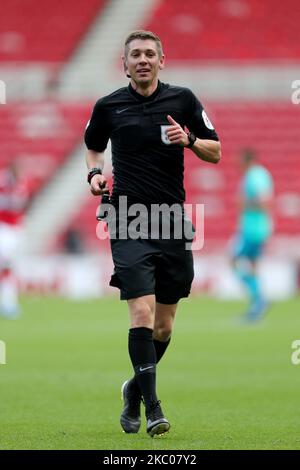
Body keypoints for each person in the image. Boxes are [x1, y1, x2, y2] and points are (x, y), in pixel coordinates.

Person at [84, 30, 221, 437]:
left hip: (172, 220)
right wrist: (94, 175)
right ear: (123, 63)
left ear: (162, 60)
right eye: (135, 55)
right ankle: (154, 407)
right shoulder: (108, 106)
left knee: (163, 326)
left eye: (149, 54)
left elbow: (215, 150)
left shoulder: (183, 101)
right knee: (140, 312)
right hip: (126, 216)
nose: (142, 60)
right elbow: (92, 145)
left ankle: (132, 391)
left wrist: (191, 139)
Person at [231, 149, 274, 322]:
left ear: (247, 160)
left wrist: (244, 202)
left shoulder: (254, 175)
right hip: (260, 228)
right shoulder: (261, 173)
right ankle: (257, 305)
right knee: (253, 265)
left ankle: (259, 298)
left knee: (233, 260)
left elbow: (265, 201)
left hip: (253, 229)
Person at [0, 161, 28, 318]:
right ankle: (8, 303)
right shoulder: (4, 184)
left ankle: (8, 302)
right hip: (4, 229)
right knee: (7, 267)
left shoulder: (19, 184)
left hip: (14, 229)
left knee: (8, 268)